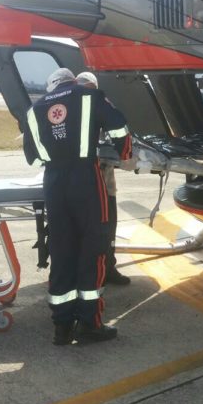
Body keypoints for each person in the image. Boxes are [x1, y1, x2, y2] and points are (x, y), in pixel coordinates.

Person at [23, 67, 132, 345]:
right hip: (86, 179)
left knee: (61, 251)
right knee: (93, 250)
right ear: (73, 80)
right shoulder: (90, 95)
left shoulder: (35, 109)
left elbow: (32, 158)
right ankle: (89, 324)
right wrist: (125, 153)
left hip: (54, 182)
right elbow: (119, 126)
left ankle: (62, 328)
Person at [75, 71, 131, 286]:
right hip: (98, 185)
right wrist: (127, 156)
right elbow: (119, 133)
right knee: (104, 228)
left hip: (89, 183)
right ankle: (102, 269)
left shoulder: (67, 104)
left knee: (104, 230)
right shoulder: (100, 102)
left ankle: (106, 267)